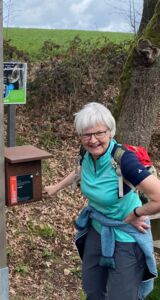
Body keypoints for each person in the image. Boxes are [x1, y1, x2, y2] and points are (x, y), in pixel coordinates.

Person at [44, 102, 160, 300]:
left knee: (120, 295)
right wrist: (56, 188)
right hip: (97, 229)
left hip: (126, 235)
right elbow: (81, 171)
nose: (93, 140)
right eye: (86, 135)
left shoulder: (124, 160)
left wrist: (135, 214)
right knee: (93, 289)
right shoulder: (87, 155)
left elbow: (158, 197)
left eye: (99, 133)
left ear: (110, 132)